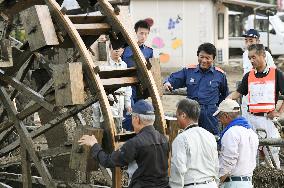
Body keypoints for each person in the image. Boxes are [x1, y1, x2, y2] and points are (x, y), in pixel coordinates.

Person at [80, 100, 170, 188]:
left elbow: (108, 161)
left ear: (136, 119)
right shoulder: (164, 139)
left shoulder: (135, 144)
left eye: (132, 118)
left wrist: (94, 144)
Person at [227, 44, 284, 169]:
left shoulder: (276, 74)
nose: (251, 60)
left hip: (268, 120)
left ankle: (276, 179)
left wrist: (279, 112)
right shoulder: (248, 76)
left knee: (272, 151)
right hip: (251, 119)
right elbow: (238, 93)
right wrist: (226, 100)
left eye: (254, 57)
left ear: (263, 55)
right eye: (249, 58)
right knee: (252, 153)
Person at [164, 43, 229, 135]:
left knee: (209, 138)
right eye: (201, 57)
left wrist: (215, 108)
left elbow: (224, 94)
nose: (204, 60)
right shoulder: (189, 71)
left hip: (209, 114)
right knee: (190, 137)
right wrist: (168, 82)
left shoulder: (219, 75)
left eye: (208, 58)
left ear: (213, 59)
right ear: (198, 55)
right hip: (190, 112)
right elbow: (174, 78)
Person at [169, 99, 219, 188]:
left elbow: (178, 168)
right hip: (211, 184)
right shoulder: (210, 136)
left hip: (193, 185)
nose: (177, 119)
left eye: (177, 116)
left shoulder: (181, 139)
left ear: (183, 115)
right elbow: (216, 165)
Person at [213, 99, 259, 188]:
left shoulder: (231, 132)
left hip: (233, 183)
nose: (219, 120)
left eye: (220, 117)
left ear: (226, 116)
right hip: (248, 182)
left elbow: (228, 161)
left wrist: (217, 182)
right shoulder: (251, 132)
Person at [92, 43, 132, 132]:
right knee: (109, 124)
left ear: (123, 50)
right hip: (108, 99)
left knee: (119, 124)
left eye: (119, 49)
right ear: (110, 49)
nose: (117, 51)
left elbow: (127, 86)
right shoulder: (104, 65)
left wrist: (127, 103)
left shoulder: (124, 65)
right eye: (114, 48)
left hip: (120, 99)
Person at [122, 19, 154, 130]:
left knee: (140, 112)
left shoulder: (149, 51)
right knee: (128, 112)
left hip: (141, 87)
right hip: (127, 86)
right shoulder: (125, 49)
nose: (143, 36)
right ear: (135, 33)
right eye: (141, 33)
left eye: (146, 34)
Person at [241, 29, 276, 119]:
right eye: (246, 40)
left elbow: (273, 74)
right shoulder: (245, 54)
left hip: (262, 98)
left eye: (251, 40)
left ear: (258, 41)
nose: (248, 43)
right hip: (248, 98)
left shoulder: (266, 54)